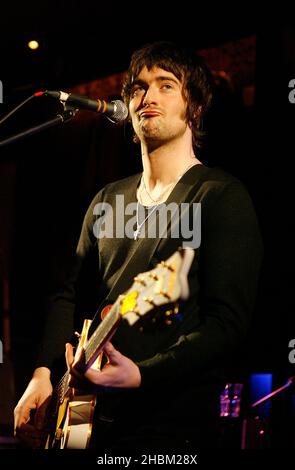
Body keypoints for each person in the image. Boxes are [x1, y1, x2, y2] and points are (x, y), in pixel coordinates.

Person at [14, 41, 263, 451]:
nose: (148, 97)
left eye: (166, 85)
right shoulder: (107, 199)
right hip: (86, 416)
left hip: (168, 426)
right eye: (138, 88)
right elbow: (69, 294)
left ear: (194, 107)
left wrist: (144, 374)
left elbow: (226, 324)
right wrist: (42, 374)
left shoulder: (219, 196)